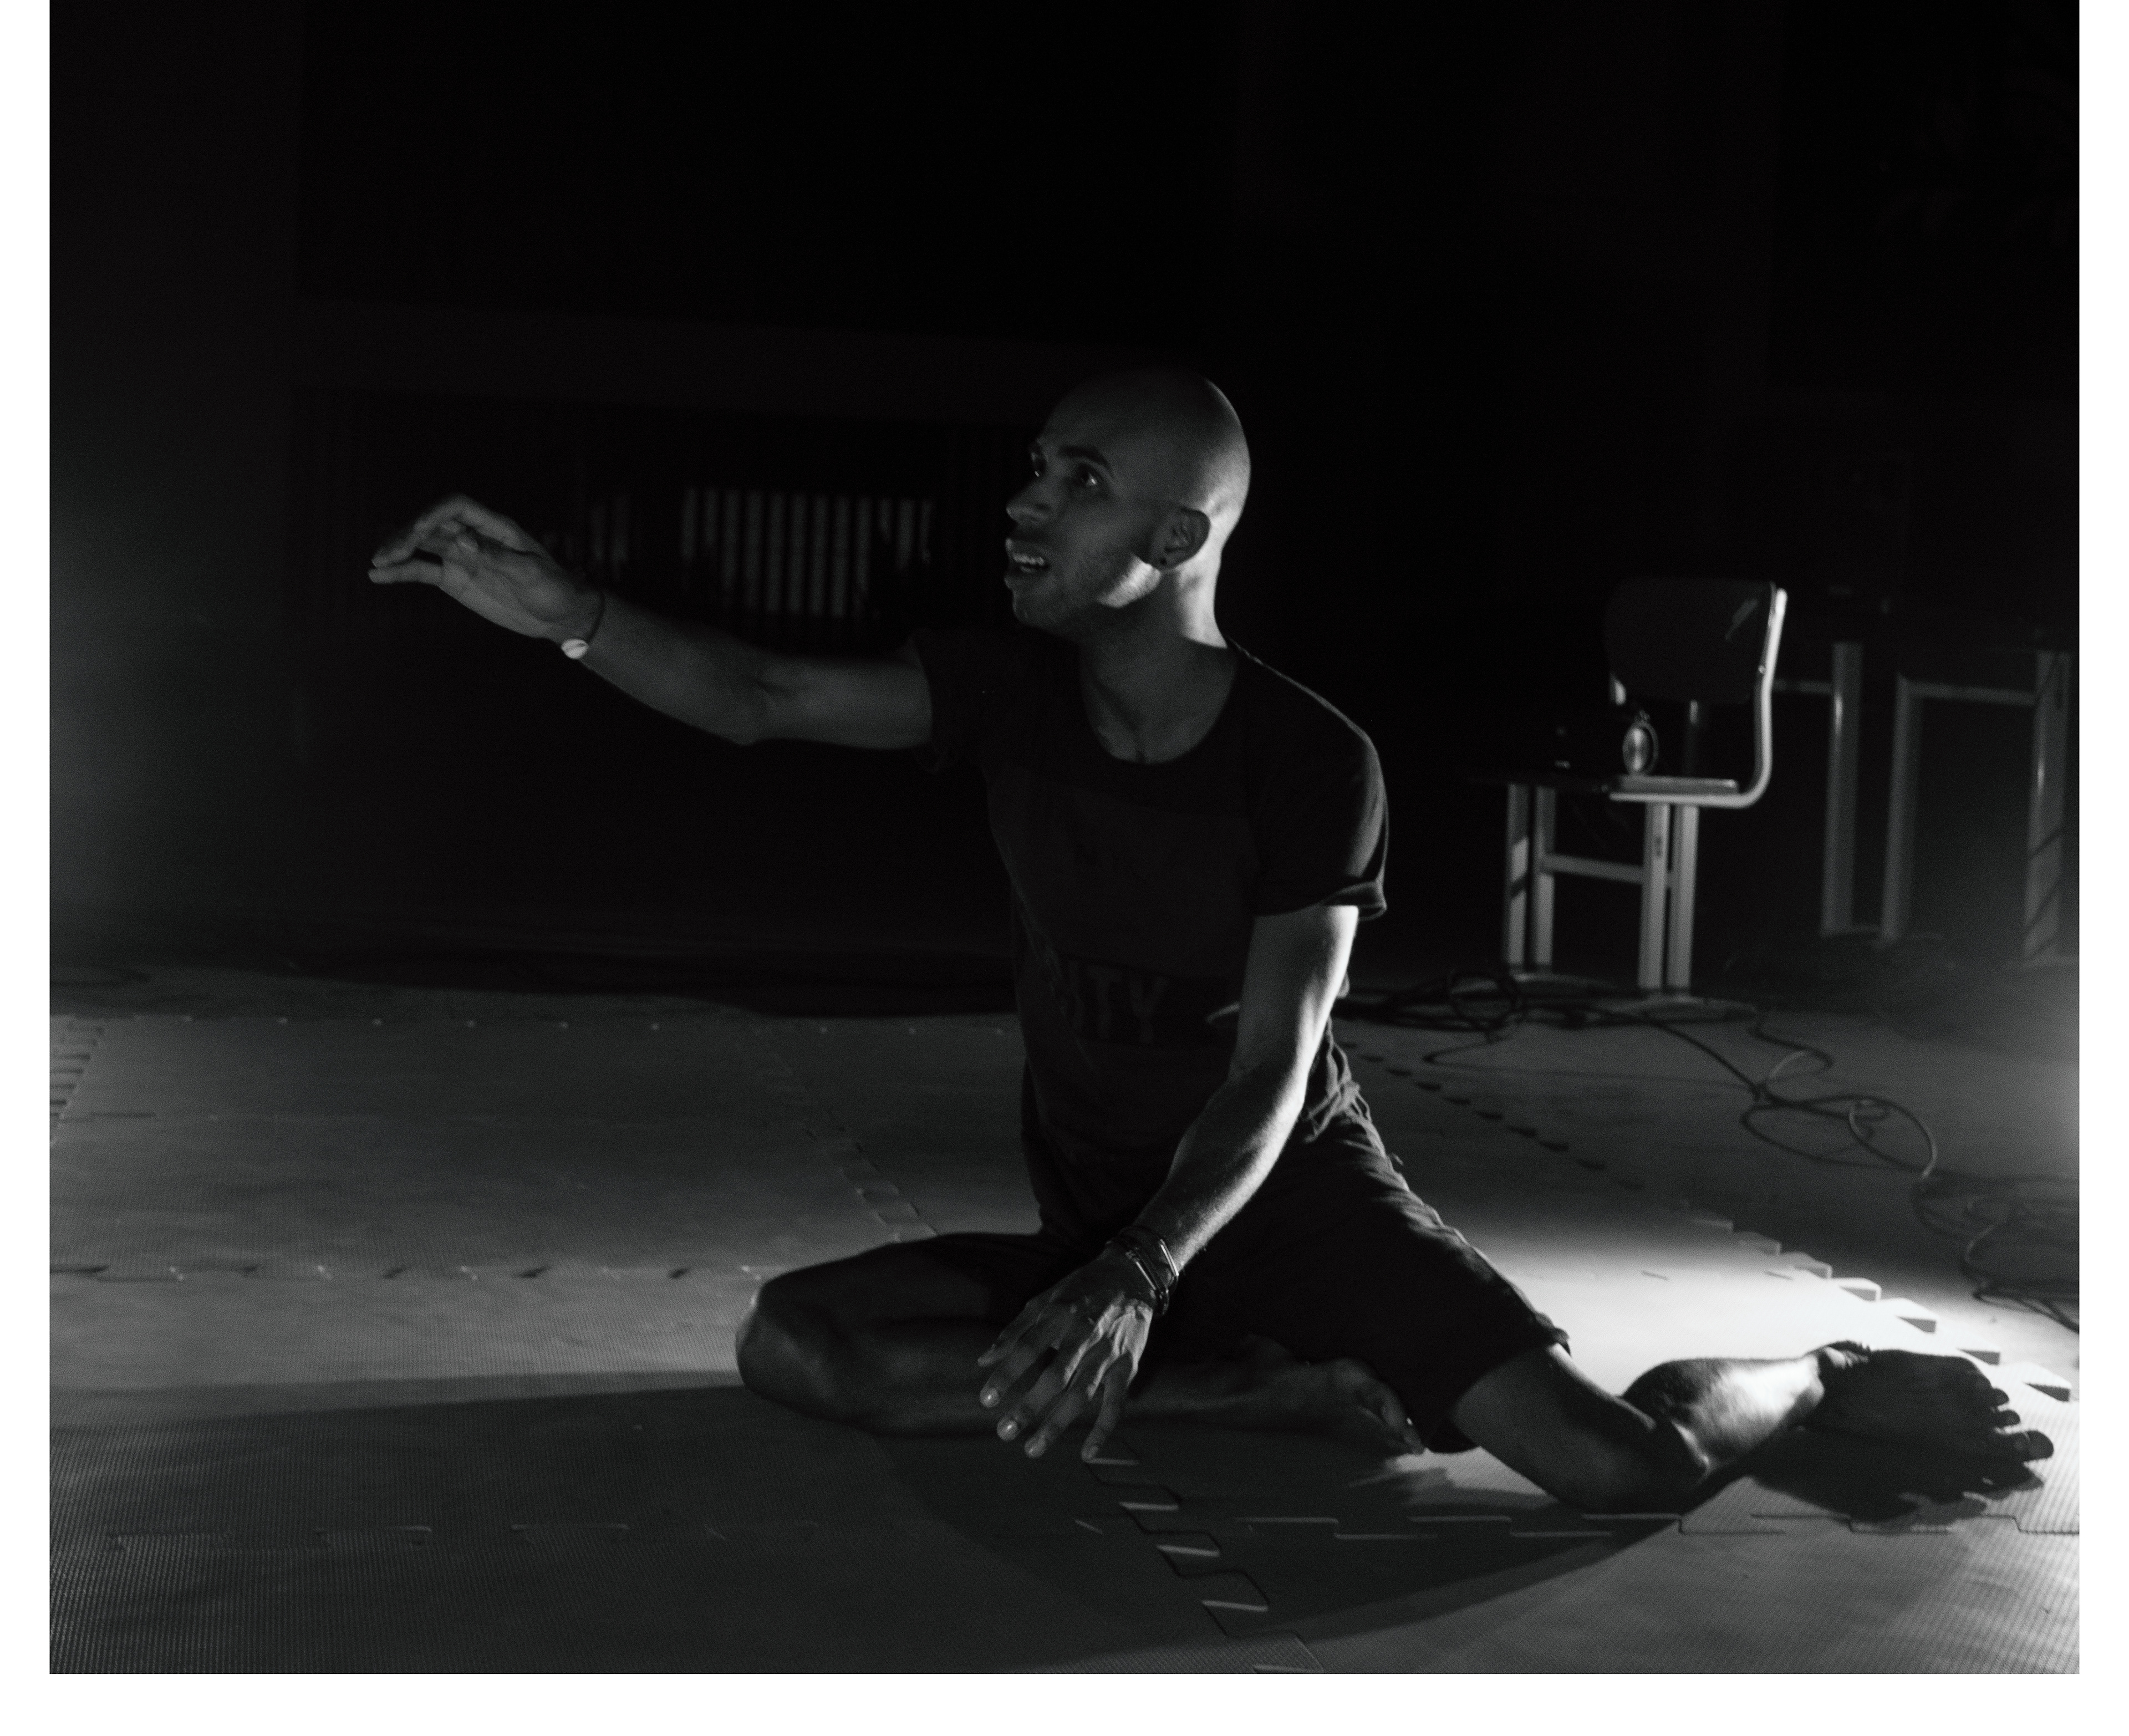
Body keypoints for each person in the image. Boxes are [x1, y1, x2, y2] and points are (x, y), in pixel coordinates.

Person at [370, 367, 2047, 1509]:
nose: (1027, 504)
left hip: (1287, 1210)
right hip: (1109, 1215)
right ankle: (1267, 1391)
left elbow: (1271, 1069)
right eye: (1038, 468)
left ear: (1177, 540)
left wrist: (1141, 1272)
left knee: (1621, 1471)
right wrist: (567, 615)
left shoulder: (1311, 763)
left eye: (1080, 483)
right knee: (797, 1344)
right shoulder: (1010, 692)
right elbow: (757, 692)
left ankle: (1820, 1365)